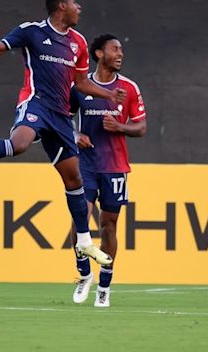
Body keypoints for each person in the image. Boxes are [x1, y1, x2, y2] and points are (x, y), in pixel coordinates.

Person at [0, 0, 126, 266]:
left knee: (74, 181)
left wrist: (108, 94)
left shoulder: (79, 43)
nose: (79, 7)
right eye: (74, 3)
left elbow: (81, 83)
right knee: (19, 144)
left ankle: (84, 243)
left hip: (60, 117)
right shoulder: (31, 31)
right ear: (61, 7)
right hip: (36, 103)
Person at [69, 34, 147, 307]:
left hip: (114, 167)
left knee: (109, 226)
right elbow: (62, 119)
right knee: (80, 219)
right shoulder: (80, 86)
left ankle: (104, 285)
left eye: (122, 50)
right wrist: (76, 134)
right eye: (115, 49)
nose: (120, 53)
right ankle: (83, 275)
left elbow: (141, 127)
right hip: (85, 164)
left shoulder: (129, 88)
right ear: (99, 53)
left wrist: (121, 127)